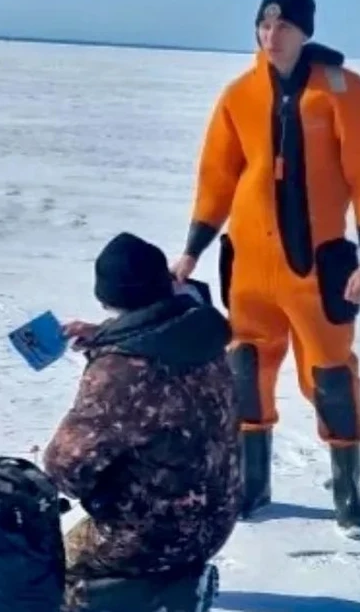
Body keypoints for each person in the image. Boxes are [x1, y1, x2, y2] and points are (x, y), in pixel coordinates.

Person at [169, 0, 360, 536]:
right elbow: (217, 178)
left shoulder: (343, 92)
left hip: (318, 269)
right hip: (248, 266)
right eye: (264, 26)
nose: (272, 36)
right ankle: (253, 485)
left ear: (304, 31)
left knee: (331, 377)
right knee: (246, 371)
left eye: (284, 26)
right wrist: (192, 249)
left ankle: (348, 493)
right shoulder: (239, 95)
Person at [42, 232, 240, 612]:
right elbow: (157, 337)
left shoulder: (121, 371)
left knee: (51, 572)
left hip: (157, 533)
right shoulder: (200, 330)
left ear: (107, 296)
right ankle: (174, 580)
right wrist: (107, 336)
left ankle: (168, 594)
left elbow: (65, 469)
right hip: (220, 512)